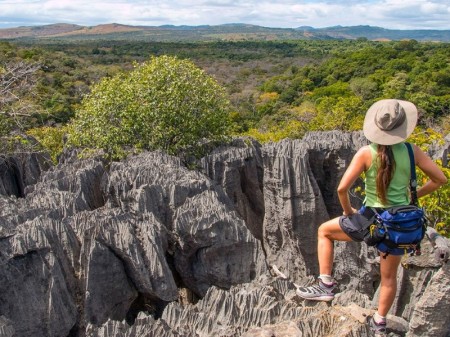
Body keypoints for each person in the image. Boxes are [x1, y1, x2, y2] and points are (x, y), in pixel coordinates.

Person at [296, 99, 448, 335]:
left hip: (369, 221)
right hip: (399, 225)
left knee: (324, 231)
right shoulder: (412, 151)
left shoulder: (366, 153)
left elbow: (341, 189)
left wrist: (348, 213)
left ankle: (325, 283)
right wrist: (412, 196)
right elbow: (440, 179)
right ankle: (379, 323)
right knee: (389, 279)